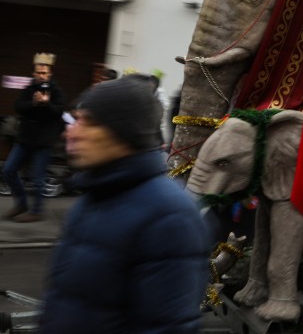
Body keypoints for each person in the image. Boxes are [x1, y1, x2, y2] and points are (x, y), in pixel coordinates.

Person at [39, 75, 210, 334]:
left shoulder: (170, 216)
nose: (71, 132)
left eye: (88, 122)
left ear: (123, 133)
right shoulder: (93, 197)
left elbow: (166, 327)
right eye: (75, 119)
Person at [2, 53, 66, 223]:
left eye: (44, 73)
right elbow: (18, 106)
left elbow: (59, 112)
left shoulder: (56, 91)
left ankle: (36, 212)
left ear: (49, 74)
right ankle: (21, 204)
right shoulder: (28, 89)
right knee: (8, 170)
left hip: (43, 142)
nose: (41, 75)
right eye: (38, 72)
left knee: (38, 179)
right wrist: (34, 103)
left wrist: (46, 103)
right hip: (24, 139)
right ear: (33, 73)